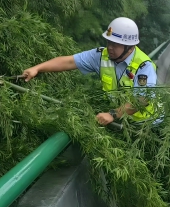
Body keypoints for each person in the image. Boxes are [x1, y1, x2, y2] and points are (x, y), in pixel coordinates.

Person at [20, 17, 158, 127]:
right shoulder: (101, 55)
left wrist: (113, 114)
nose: (109, 47)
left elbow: (142, 99)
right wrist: (37, 68)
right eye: (109, 42)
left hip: (144, 126)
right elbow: (69, 62)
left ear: (130, 47)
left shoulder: (144, 66)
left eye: (115, 44)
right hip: (120, 121)